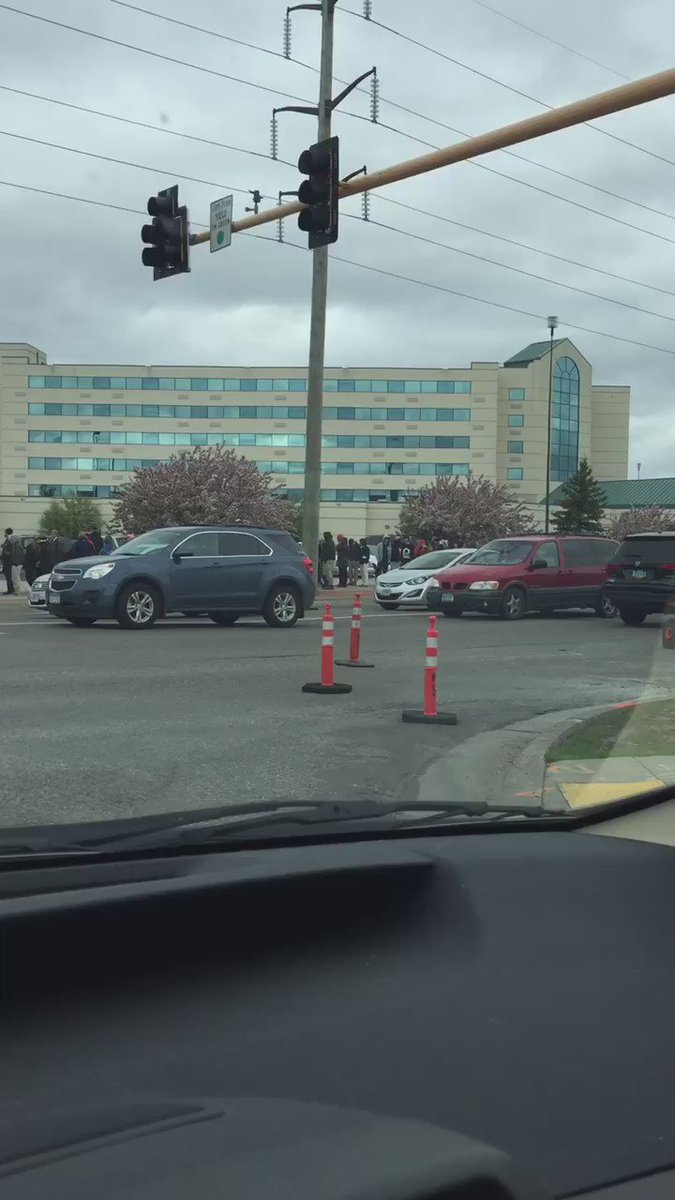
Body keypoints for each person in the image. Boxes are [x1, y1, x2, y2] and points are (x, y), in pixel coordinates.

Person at [1, 529, 14, 595]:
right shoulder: (7, 541)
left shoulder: (10, 541)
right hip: (5, 561)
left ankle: (10, 590)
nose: (4, 533)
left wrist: (4, 548)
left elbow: (9, 553)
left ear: (7, 533)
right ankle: (10, 589)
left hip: (8, 562)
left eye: (5, 532)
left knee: (8, 576)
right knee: (7, 576)